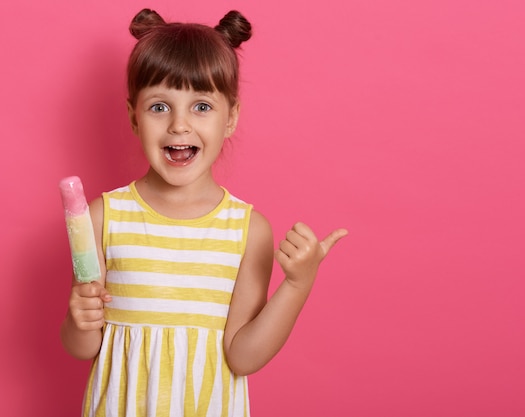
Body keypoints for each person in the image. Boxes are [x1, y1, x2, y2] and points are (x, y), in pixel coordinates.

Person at [60, 8, 347, 416]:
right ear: (133, 117)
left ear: (230, 118)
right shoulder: (104, 218)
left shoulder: (248, 231)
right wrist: (79, 320)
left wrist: (298, 285)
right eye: (160, 107)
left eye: (201, 107)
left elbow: (243, 357)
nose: (179, 125)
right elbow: (83, 346)